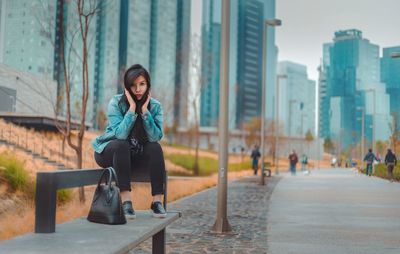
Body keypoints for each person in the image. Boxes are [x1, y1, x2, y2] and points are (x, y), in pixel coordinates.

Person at [92, 64, 166, 219]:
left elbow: (154, 137)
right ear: (126, 87)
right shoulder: (116, 103)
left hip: (134, 156)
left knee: (155, 148)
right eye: (133, 85)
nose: (138, 89)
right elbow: (120, 135)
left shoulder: (155, 106)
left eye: (142, 84)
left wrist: (145, 112)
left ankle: (157, 202)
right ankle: (126, 202)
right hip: (110, 152)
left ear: (148, 85)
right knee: (121, 145)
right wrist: (132, 108)